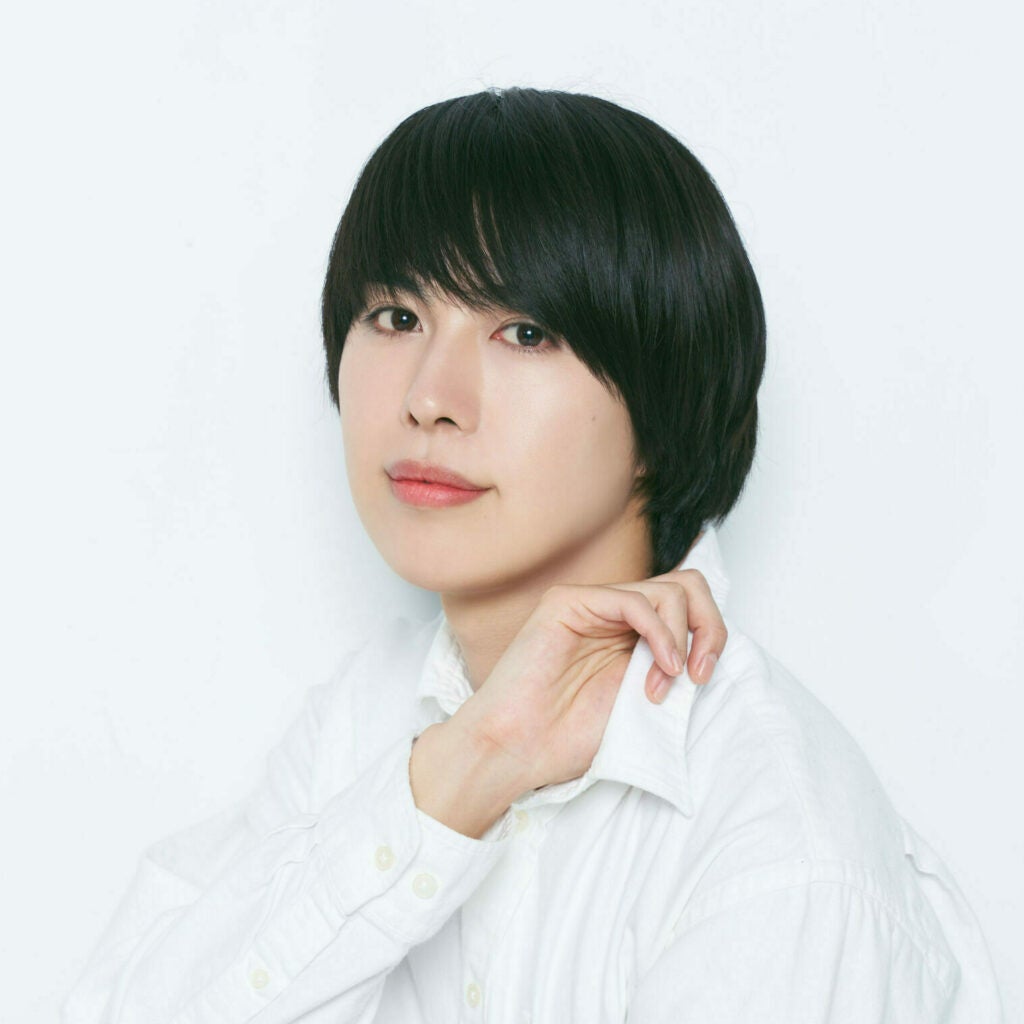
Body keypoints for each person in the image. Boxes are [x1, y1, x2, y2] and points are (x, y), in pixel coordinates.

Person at [62, 87, 1004, 1023]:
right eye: (396, 317)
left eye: (523, 331)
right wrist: (468, 766)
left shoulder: (774, 840)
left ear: (664, 401)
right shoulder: (363, 719)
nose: (430, 398)